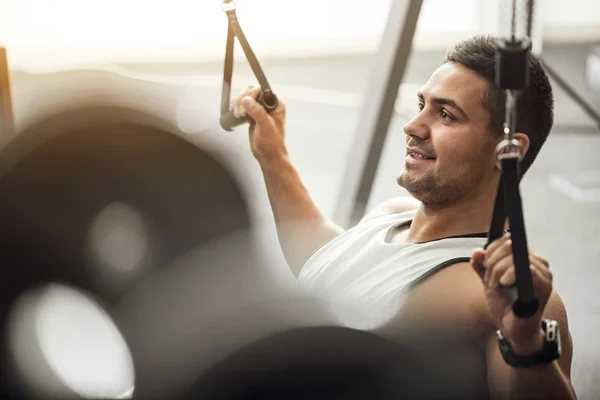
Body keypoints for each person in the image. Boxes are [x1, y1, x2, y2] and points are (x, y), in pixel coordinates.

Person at [230, 35, 576, 399]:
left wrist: (527, 343)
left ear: (508, 151)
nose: (413, 126)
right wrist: (273, 155)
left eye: (445, 115)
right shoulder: (394, 216)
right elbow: (322, 258)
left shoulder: (511, 294)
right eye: (422, 105)